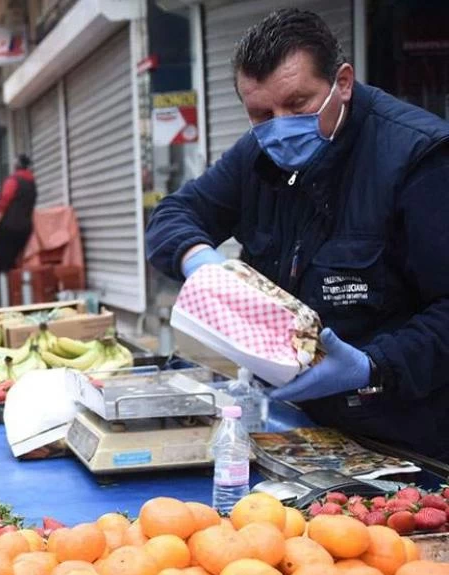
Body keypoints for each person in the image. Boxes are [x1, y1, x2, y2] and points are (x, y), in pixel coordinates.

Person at [145, 9, 449, 461]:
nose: (281, 125)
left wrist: (372, 366)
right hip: (298, 430)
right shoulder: (258, 153)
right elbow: (173, 214)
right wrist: (198, 260)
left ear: (342, 83)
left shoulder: (419, 158)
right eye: (261, 113)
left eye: (299, 104)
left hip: (406, 440)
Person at [0, 155, 37, 305]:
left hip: (9, 228)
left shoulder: (13, 181)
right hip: (26, 228)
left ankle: (7, 300)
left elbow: (1, 207)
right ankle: (18, 297)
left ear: (16, 165)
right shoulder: (31, 182)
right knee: (16, 263)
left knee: (2, 264)